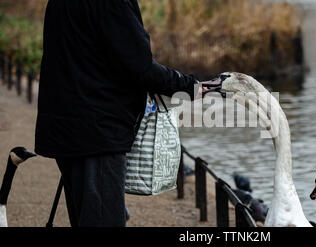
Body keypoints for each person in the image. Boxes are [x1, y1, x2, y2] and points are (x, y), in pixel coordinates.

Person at [35, 0, 203, 227]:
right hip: (97, 131)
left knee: (86, 217)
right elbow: (140, 67)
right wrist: (190, 86)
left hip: (66, 125)